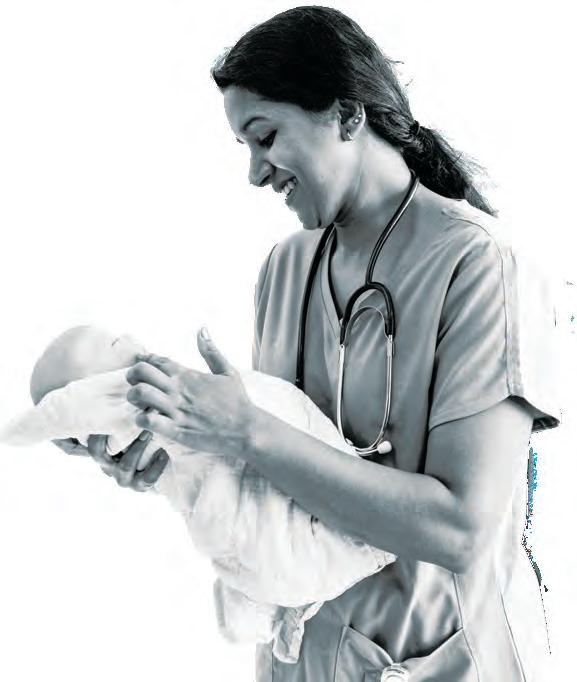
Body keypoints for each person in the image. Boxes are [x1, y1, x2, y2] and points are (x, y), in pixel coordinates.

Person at [54, 6, 561, 681]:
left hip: (441, 662)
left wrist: (243, 430)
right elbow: (275, 485)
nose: (255, 173)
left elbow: (458, 531)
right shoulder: (286, 269)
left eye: (265, 137)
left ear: (347, 115)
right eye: (245, 146)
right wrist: (173, 450)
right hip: (303, 660)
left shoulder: (480, 267)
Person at [4, 324, 393, 662]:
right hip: (306, 569)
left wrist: (245, 425)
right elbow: (62, 413)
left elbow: (249, 422)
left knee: (262, 551)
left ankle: (278, 602)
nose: (130, 339)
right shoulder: (129, 395)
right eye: (113, 343)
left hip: (384, 589)